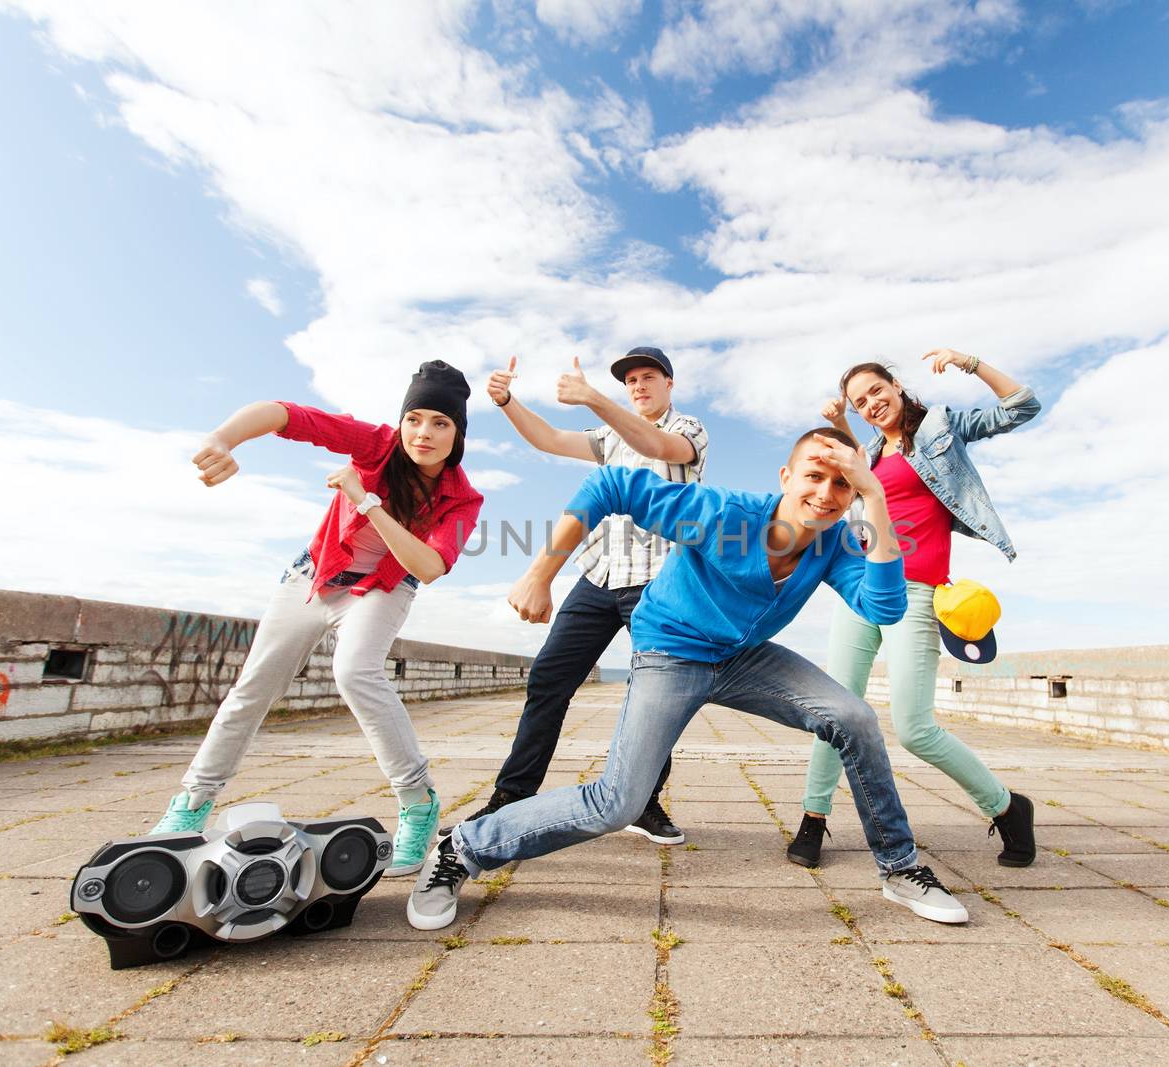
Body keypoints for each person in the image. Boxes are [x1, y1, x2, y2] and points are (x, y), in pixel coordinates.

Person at [407, 428, 972, 931]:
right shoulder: (724, 513)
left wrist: (875, 497)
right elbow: (610, 486)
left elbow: (884, 608)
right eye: (814, 477)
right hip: (672, 651)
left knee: (854, 717)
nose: (826, 495)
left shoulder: (837, 541)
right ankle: (464, 849)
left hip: (743, 655)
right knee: (618, 803)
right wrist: (539, 573)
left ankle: (900, 868)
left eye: (842, 485)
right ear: (786, 477)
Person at [150, 362, 484, 879]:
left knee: (355, 673)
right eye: (414, 418)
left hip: (384, 587)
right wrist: (222, 439)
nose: (424, 433)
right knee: (255, 685)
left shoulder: (461, 497)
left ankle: (418, 805)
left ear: (458, 432)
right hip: (315, 577)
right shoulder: (374, 444)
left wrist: (367, 501)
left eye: (441, 423)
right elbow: (284, 414)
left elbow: (429, 566)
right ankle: (192, 801)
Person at [787, 348, 1040, 871]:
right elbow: (867, 485)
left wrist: (969, 362)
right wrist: (838, 427)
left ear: (896, 385)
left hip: (919, 591)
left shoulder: (942, 429)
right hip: (862, 587)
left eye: (877, 391)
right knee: (834, 709)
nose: (871, 404)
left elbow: (1022, 406)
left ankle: (1008, 807)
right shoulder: (874, 455)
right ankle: (813, 818)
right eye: (860, 403)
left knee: (914, 727)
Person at [458, 347, 708, 845]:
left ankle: (643, 802)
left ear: (669, 384)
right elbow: (549, 438)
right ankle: (511, 798)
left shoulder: (690, 429)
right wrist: (508, 402)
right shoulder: (610, 435)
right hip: (597, 576)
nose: (638, 387)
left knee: (652, 696)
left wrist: (592, 398)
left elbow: (660, 448)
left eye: (648, 378)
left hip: (658, 582)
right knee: (548, 681)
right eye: (630, 381)